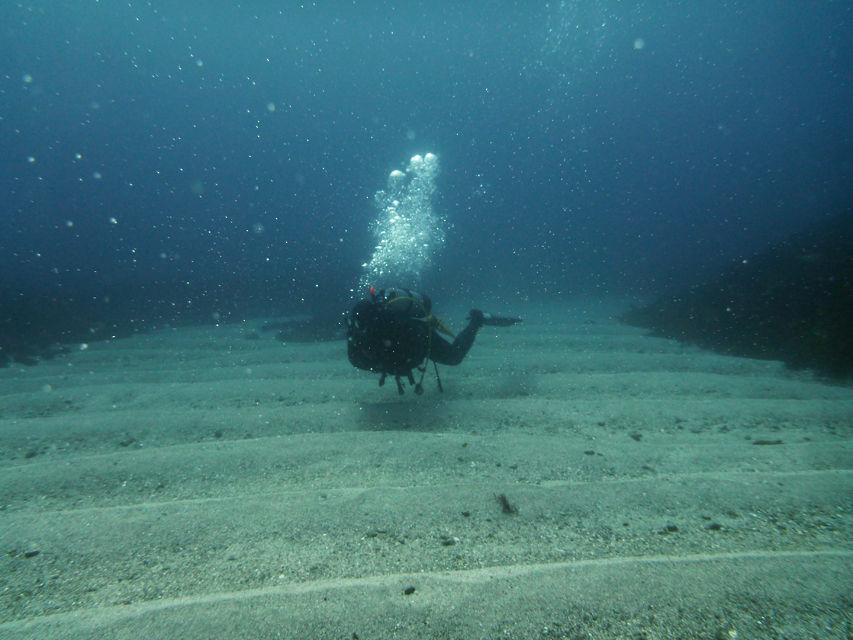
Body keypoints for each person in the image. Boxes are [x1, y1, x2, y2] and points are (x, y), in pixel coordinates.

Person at [346, 286, 521, 394]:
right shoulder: (358, 340)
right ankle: (477, 320)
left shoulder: (400, 333)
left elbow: (410, 355)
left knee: (454, 357)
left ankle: (477, 320)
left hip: (418, 337)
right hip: (402, 350)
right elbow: (362, 359)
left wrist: (407, 360)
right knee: (453, 357)